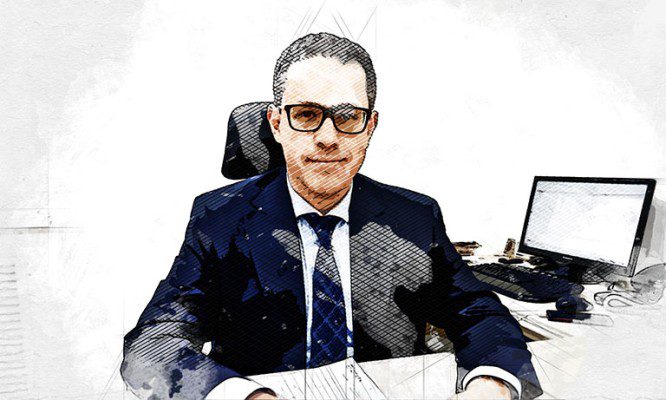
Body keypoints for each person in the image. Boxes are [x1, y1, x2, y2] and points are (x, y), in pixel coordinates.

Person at [121, 33, 542, 400]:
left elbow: (479, 314)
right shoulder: (221, 217)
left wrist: (491, 384)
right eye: (306, 114)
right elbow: (152, 346)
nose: (327, 138)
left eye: (348, 117)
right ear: (276, 124)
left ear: (370, 126)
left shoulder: (414, 216)